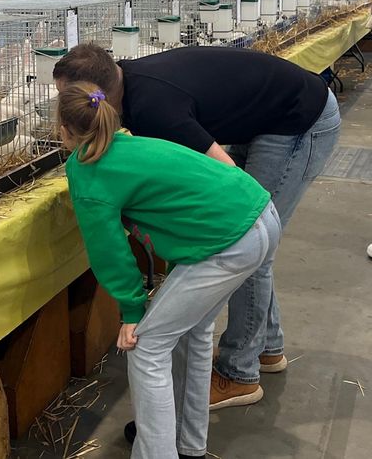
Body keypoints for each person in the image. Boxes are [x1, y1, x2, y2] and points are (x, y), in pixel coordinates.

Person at [53, 43, 340, 432]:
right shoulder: (127, 87)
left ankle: (240, 371)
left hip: (298, 119)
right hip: (268, 115)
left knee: (250, 252)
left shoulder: (154, 108)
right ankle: (266, 349)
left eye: (65, 96)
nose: (64, 105)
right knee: (246, 251)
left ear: (94, 92)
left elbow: (225, 170)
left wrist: (211, 244)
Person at [58, 81, 281, 459]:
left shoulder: (88, 171)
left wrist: (132, 311)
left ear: (62, 129)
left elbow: (108, 249)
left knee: (146, 348)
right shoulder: (127, 143)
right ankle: (188, 445)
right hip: (258, 213)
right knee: (193, 331)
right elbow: (182, 205)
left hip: (230, 239)